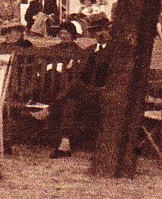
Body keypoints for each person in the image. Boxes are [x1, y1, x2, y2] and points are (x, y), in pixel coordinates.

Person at [38, 27, 110, 159]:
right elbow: (81, 73)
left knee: (75, 87)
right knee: (70, 102)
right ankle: (64, 146)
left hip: (104, 91)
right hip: (86, 92)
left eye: (103, 30)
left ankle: (50, 109)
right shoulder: (90, 50)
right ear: (94, 34)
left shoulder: (114, 51)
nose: (100, 34)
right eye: (97, 31)